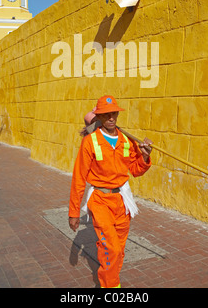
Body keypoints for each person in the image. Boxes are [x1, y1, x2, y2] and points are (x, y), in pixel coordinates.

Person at [68, 95, 152, 288]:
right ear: (99, 116)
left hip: (122, 200)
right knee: (111, 248)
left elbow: (136, 170)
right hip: (100, 200)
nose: (111, 117)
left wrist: (145, 157)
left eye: (113, 113)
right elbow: (79, 178)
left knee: (119, 250)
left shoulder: (126, 141)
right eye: (106, 114)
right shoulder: (90, 142)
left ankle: (112, 281)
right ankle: (111, 287)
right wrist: (74, 213)